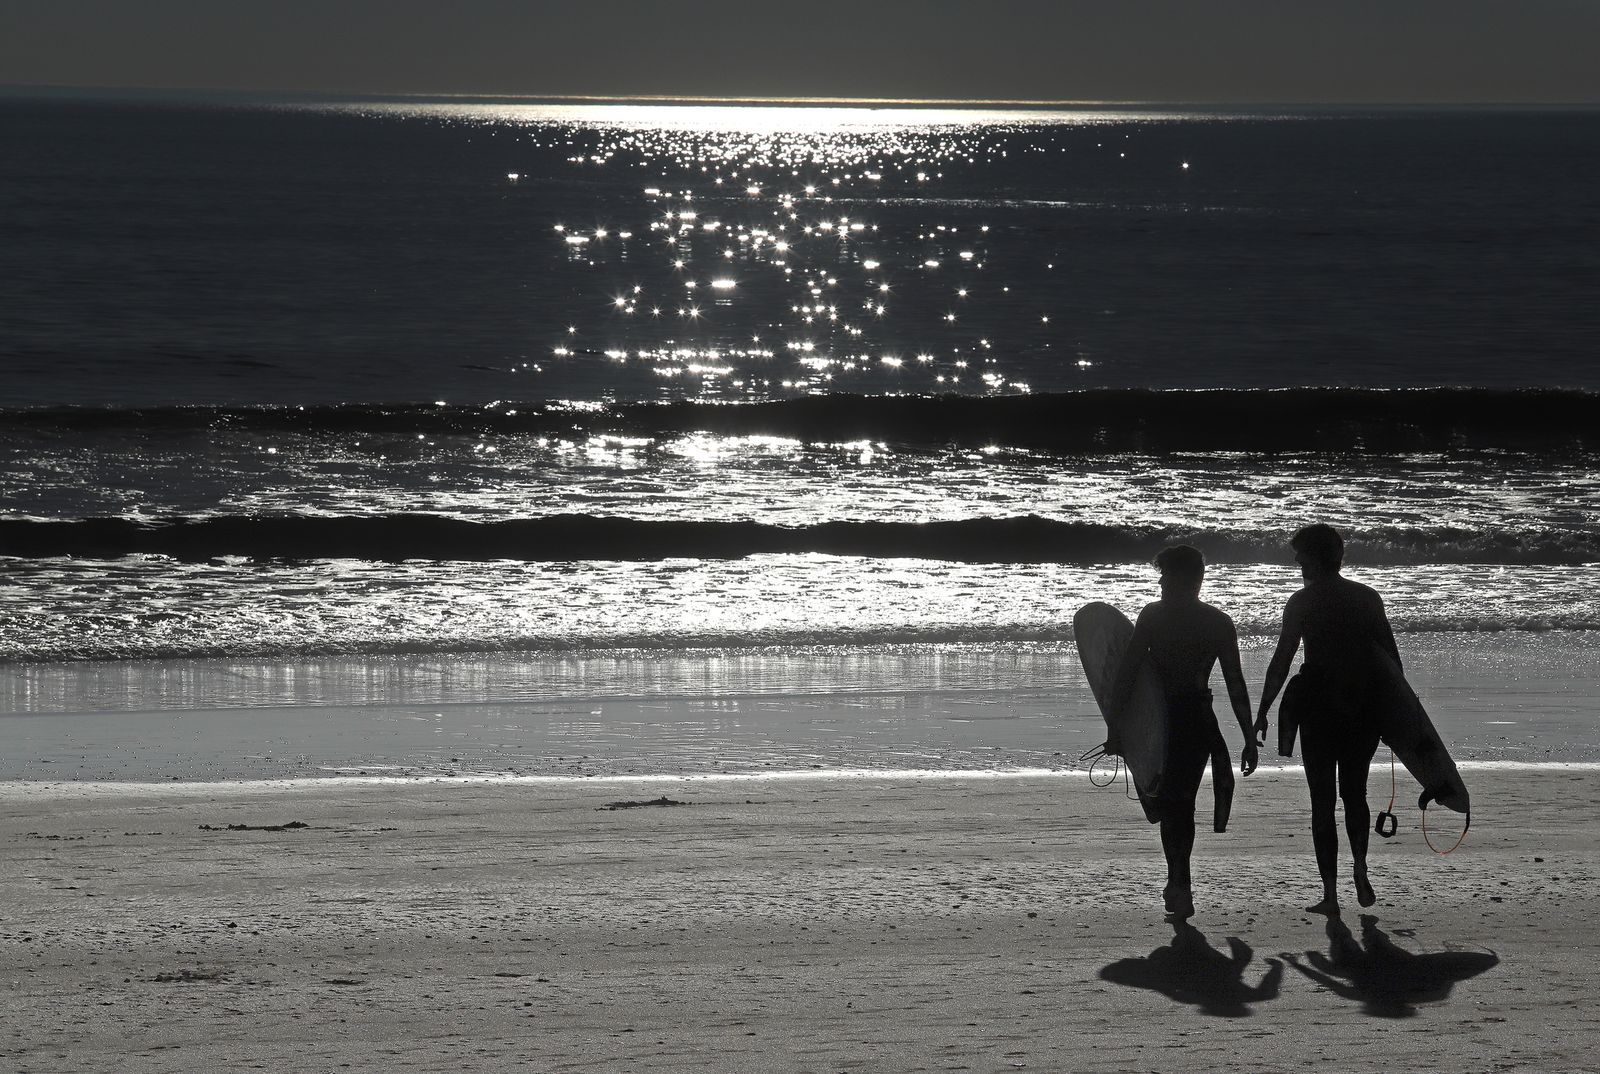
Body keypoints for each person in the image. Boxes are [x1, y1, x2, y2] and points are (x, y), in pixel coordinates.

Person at [1108, 545, 1261, 919]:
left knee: (1171, 805)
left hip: (1163, 720)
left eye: (1165, 574)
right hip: (1197, 718)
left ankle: (1179, 881)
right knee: (1181, 805)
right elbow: (1235, 683)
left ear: (1186, 578)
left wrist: (1116, 726)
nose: (1160, 582)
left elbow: (1127, 674)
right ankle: (1180, 882)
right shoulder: (1217, 621)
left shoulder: (1153, 617)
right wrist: (1247, 734)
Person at [1256, 523, 1401, 916]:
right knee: (1355, 793)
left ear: (1317, 557)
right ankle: (1361, 869)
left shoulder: (1302, 602)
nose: (1297, 561)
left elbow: (1283, 659)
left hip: (1319, 706)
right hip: (1362, 704)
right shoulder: (1367, 598)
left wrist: (1264, 709)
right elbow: (1390, 658)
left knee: (1322, 801)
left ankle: (1331, 894)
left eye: (1301, 555)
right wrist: (1396, 711)